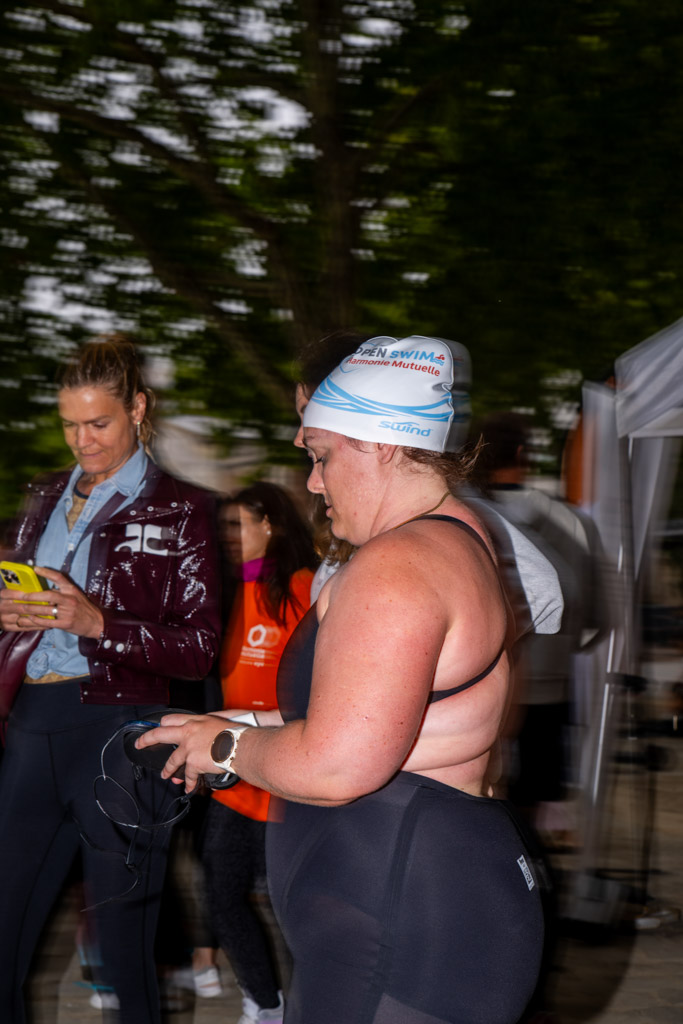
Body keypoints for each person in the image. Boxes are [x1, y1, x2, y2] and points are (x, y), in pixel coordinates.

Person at [139, 334, 546, 1024]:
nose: (314, 482)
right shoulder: (454, 536)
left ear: (380, 444)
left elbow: (336, 766)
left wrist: (229, 751)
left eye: (322, 456)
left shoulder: (398, 567)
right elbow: (375, 719)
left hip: (401, 929)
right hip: (418, 910)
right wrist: (229, 725)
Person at [0, 336, 221, 1024]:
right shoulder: (42, 495)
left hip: (122, 731)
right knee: (3, 928)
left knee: (124, 947)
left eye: (98, 423)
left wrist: (100, 623)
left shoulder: (184, 509)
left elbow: (199, 650)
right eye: (69, 423)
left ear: (138, 409)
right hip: (33, 727)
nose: (82, 440)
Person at [201, 483, 316, 1024]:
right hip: (231, 771)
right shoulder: (224, 592)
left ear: (269, 524)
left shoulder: (304, 587)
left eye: (236, 525)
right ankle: (264, 1003)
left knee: (298, 912)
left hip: (286, 770)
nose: (226, 538)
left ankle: (310, 1008)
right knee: (221, 899)